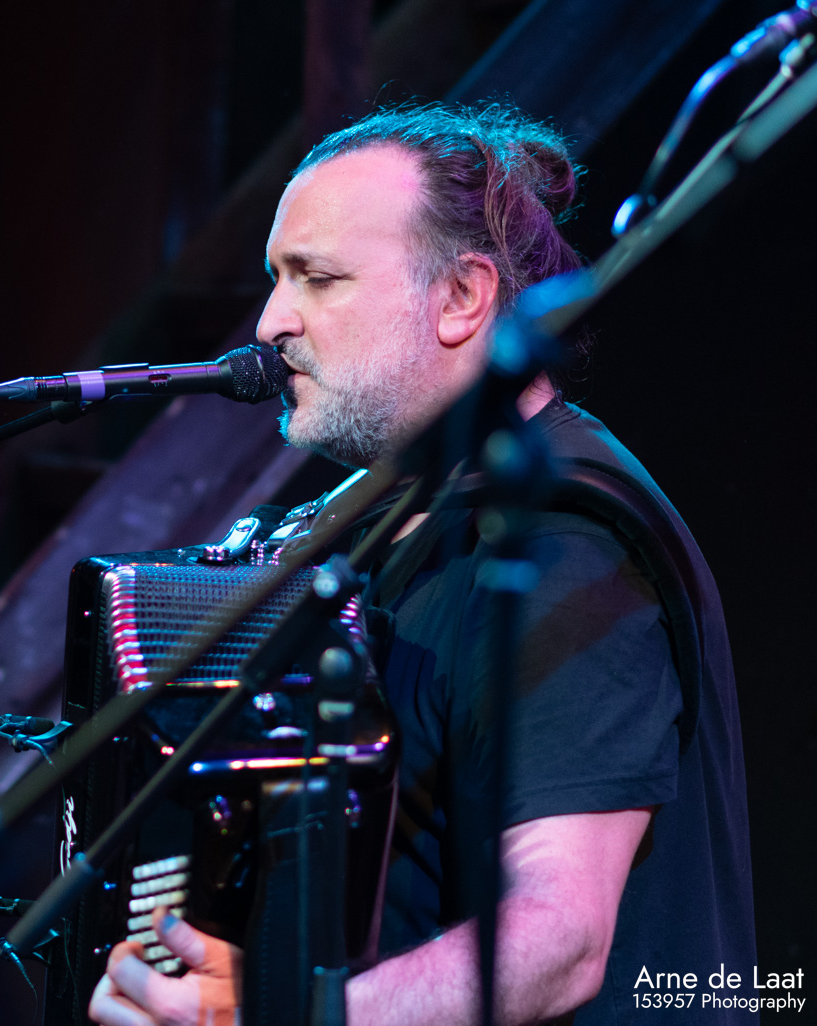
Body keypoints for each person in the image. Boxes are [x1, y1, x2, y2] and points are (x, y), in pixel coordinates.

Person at [87, 103, 755, 1026]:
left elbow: (558, 940)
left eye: (318, 278)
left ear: (461, 298)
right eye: (277, 278)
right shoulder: (375, 517)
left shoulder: (563, 546)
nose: (272, 321)